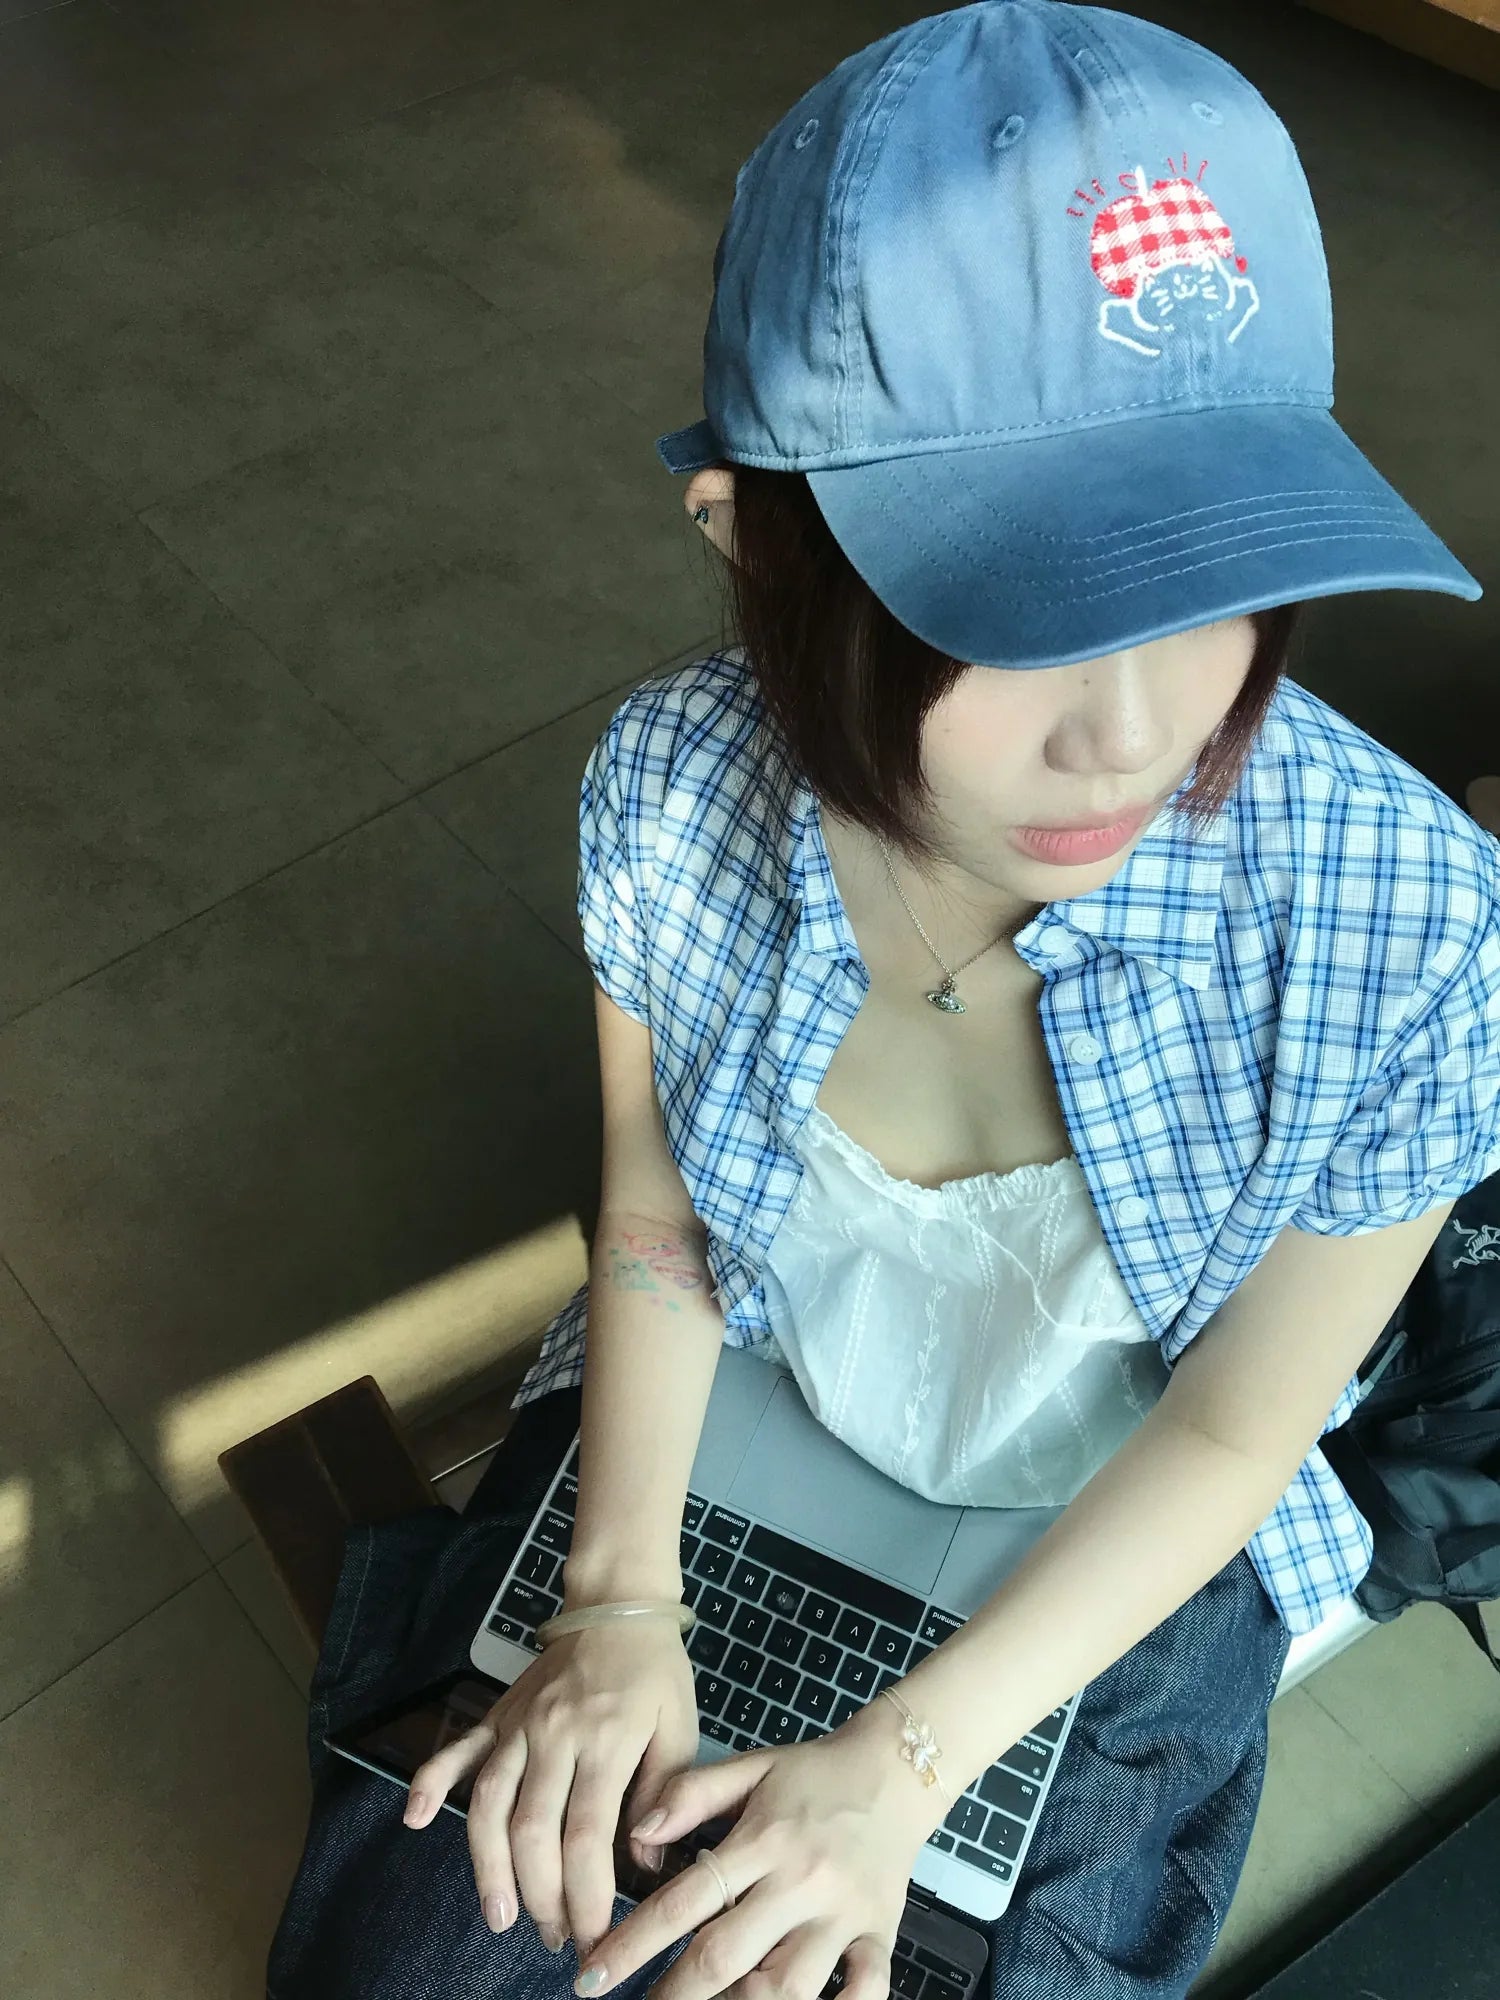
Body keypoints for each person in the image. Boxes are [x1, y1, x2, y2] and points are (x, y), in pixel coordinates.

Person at [267, 6, 1497, 1999]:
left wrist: (901, 1769)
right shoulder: (671, 790)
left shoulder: (1410, 928)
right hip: (739, 1406)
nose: (1133, 730)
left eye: (1211, 575)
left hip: (1123, 1521)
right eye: (1018, 603)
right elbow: (658, 1215)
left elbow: (1238, 1427)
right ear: (761, 540)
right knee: (421, 1951)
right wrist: (614, 1598)